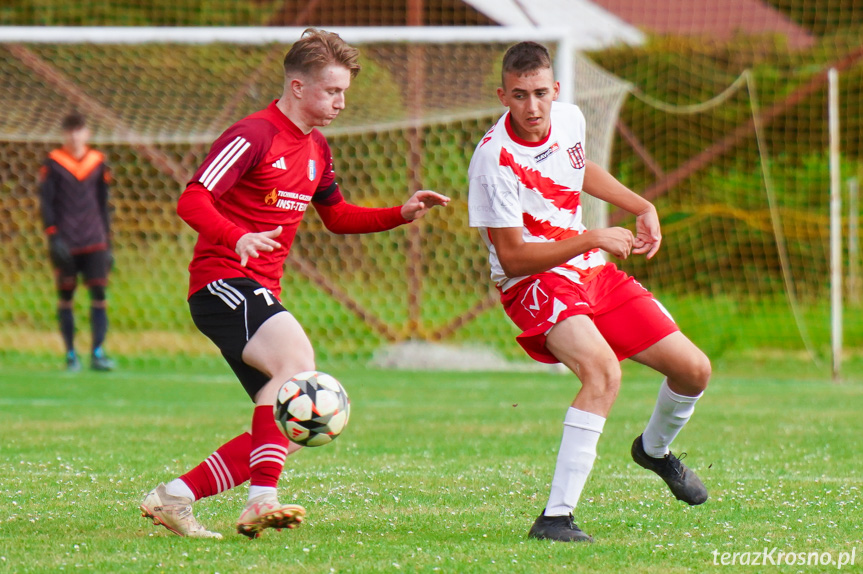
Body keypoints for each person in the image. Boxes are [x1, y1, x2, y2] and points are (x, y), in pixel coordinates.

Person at [139, 28, 449, 540]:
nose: (341, 102)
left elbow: (338, 216)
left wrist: (401, 212)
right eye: (332, 91)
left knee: (292, 420)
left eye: (344, 92)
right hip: (221, 280)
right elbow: (192, 198)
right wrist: (236, 236)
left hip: (259, 288)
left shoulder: (316, 148)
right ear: (298, 86)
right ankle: (262, 500)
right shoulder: (253, 134)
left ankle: (176, 496)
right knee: (299, 372)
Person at [467, 41, 711, 543]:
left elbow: (578, 170)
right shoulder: (494, 161)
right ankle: (556, 519)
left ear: (555, 90)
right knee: (602, 372)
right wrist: (595, 236)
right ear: (502, 95)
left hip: (590, 271)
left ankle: (655, 451)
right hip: (533, 283)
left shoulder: (570, 119)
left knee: (694, 370)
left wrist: (641, 204)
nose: (532, 107)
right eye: (519, 95)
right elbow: (511, 257)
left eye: (540, 93)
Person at [39, 112, 115, 372]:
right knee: (66, 297)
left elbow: (104, 204)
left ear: (87, 133)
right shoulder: (53, 163)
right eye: (69, 130)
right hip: (66, 242)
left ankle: (97, 352)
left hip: (95, 240)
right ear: (64, 134)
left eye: (78, 130)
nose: (74, 135)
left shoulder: (98, 162)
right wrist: (52, 236)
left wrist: (109, 242)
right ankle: (71, 354)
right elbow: (46, 202)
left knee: (99, 294)